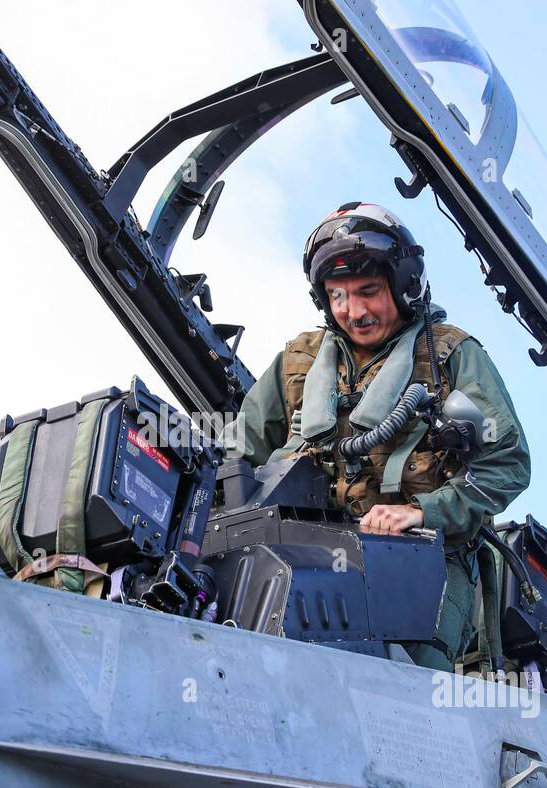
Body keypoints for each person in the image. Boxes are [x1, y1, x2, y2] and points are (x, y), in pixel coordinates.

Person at [225, 202, 530, 669]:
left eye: (369, 291)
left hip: (424, 561)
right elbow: (237, 459)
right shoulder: (297, 363)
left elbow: (507, 464)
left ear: (405, 285)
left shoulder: (451, 355)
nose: (355, 311)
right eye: (339, 296)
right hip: (307, 551)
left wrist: (420, 511)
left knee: (405, 684)